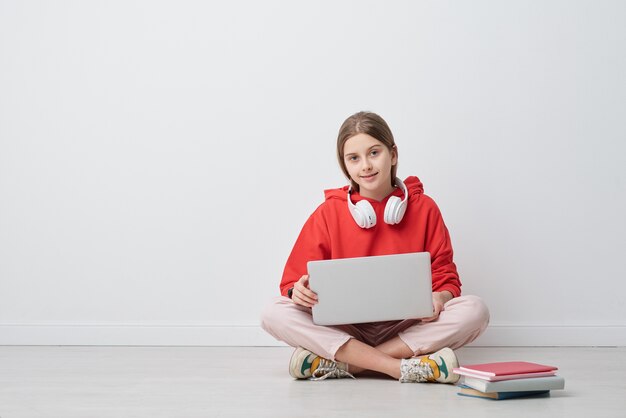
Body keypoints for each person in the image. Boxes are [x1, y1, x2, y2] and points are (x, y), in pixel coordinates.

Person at [261, 111, 489, 383]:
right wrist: (298, 291)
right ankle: (398, 367)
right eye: (354, 158)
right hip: (345, 328)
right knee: (273, 312)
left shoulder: (424, 208)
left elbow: (446, 276)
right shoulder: (327, 213)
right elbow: (291, 282)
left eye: (374, 153)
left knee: (475, 310)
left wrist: (440, 298)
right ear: (345, 166)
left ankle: (347, 364)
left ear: (392, 155)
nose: (365, 165)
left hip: (407, 326)